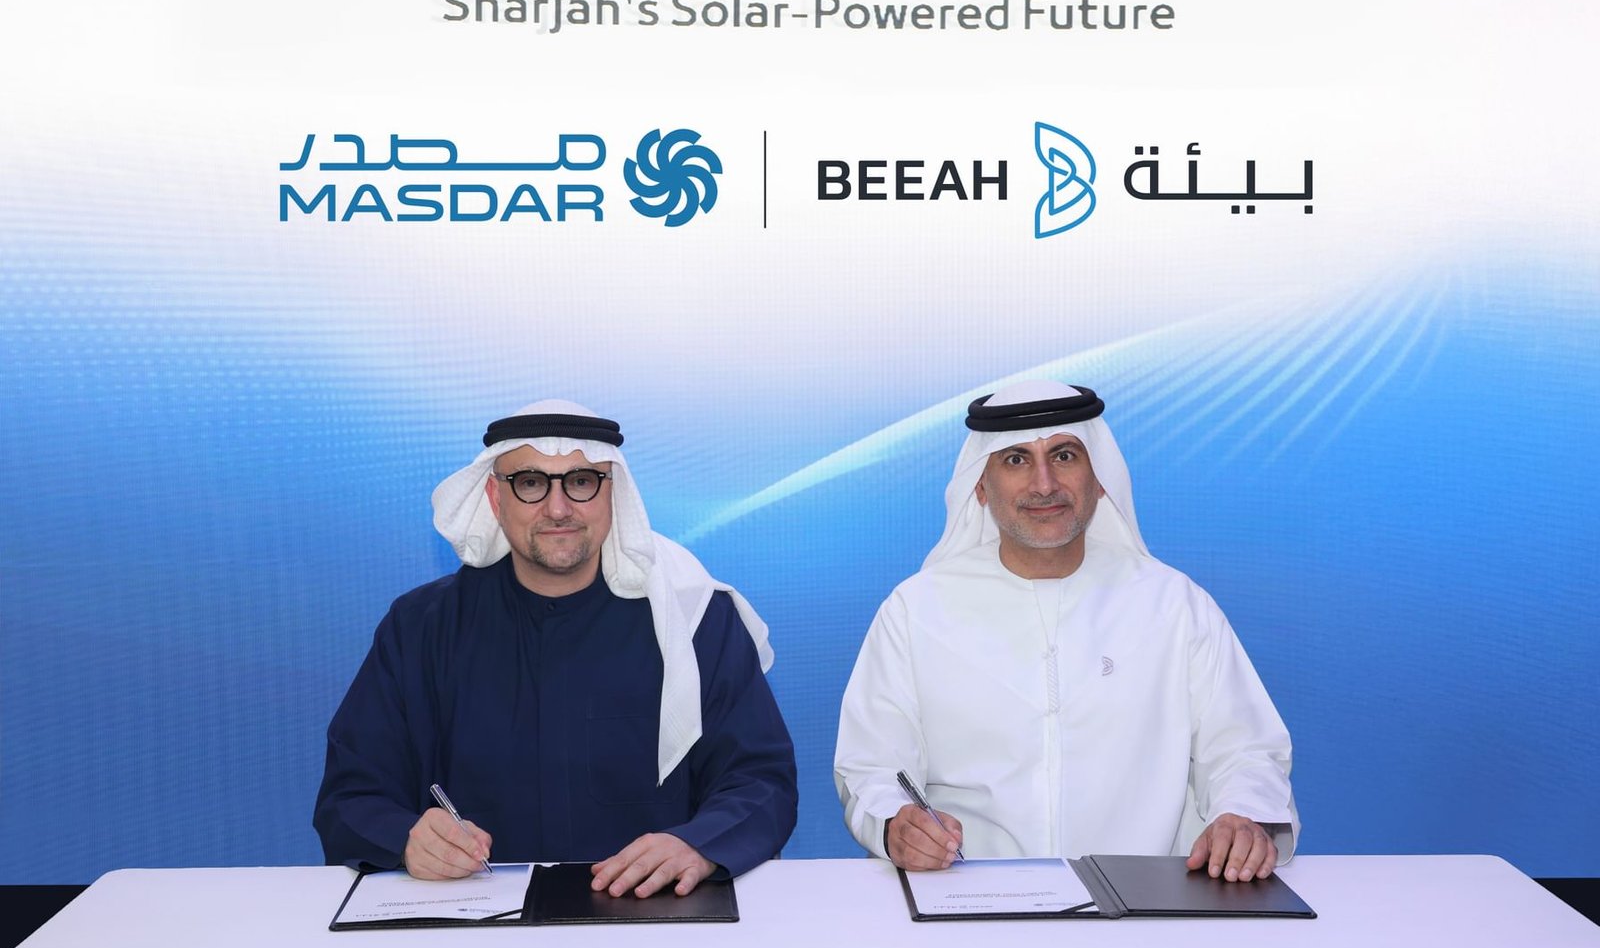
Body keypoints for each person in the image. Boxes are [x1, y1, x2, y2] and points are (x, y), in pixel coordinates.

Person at [314, 401, 797, 896]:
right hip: (471, 918)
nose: (559, 508)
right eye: (530, 483)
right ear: (495, 498)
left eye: (581, 481)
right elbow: (352, 794)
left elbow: (761, 780)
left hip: (655, 913)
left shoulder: (694, 620)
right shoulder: (420, 628)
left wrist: (699, 843)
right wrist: (405, 838)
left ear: (614, 493)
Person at [834, 380, 1298, 883]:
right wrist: (894, 824)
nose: (1044, 484)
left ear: (1099, 479)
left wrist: (1242, 815)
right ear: (981, 487)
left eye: (1064, 456)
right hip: (968, 898)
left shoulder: (1175, 605)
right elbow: (873, 766)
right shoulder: (916, 611)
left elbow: (1244, 749)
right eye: (1016, 460)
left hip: (1149, 903)